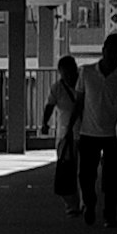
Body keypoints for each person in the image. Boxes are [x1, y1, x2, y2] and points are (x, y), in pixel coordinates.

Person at [82, 31, 117, 224]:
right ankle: (90, 203)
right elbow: (80, 101)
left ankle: (109, 211)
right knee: (86, 175)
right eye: (110, 50)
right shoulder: (86, 72)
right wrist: (72, 129)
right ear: (103, 50)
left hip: (114, 134)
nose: (113, 55)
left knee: (113, 177)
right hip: (88, 131)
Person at [38, 46, 88, 208]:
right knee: (68, 171)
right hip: (66, 135)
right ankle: (72, 202)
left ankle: (80, 202)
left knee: (81, 171)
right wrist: (44, 123)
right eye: (65, 74)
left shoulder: (84, 84)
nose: (68, 77)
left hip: (84, 132)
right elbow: (49, 106)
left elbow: (50, 106)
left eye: (70, 73)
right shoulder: (57, 88)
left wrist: (45, 123)